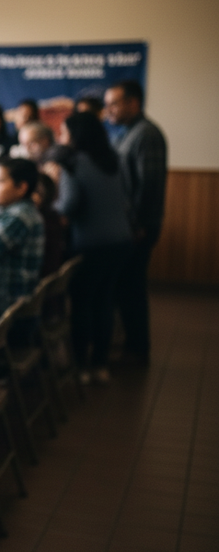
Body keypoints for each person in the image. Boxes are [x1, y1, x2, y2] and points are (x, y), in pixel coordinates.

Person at [55, 111, 133, 385]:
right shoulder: (115, 159)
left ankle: (80, 368)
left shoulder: (73, 163)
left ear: (75, 136)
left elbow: (68, 204)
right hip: (121, 241)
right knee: (104, 302)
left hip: (89, 244)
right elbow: (127, 196)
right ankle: (100, 365)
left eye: (63, 132)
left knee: (82, 305)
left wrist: (49, 205)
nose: (60, 138)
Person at [105, 80, 167, 365]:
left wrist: (138, 225)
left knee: (132, 288)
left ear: (134, 103)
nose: (108, 110)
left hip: (139, 226)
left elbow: (149, 184)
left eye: (114, 104)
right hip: (129, 224)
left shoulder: (146, 134)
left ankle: (137, 350)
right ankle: (132, 345)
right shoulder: (128, 132)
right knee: (126, 287)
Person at [0, 158, 44, 322]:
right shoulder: (11, 210)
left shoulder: (20, 215)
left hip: (9, 308)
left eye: (0, 182)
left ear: (21, 187)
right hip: (9, 303)